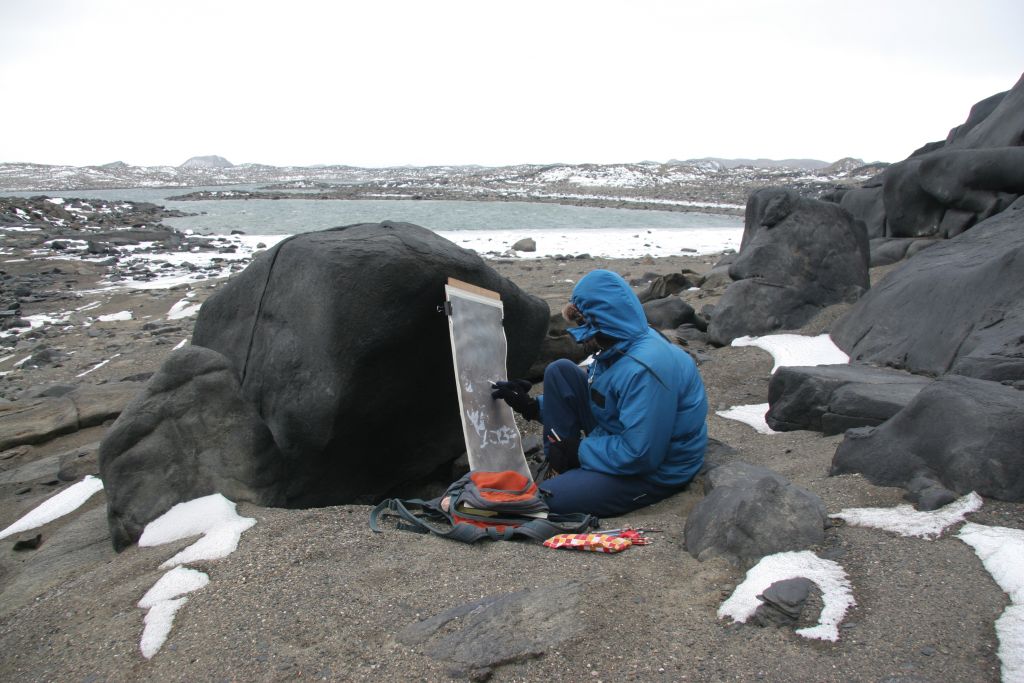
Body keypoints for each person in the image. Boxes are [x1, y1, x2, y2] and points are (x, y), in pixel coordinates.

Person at [492, 269, 708, 518]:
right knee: (560, 371)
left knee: (546, 500)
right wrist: (531, 406)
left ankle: (569, 466)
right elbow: (603, 395)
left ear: (602, 319)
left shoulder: (646, 368)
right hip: (623, 435)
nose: (580, 334)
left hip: (655, 471)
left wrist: (579, 450)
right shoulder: (621, 340)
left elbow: (641, 455)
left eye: (583, 323)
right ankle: (560, 464)